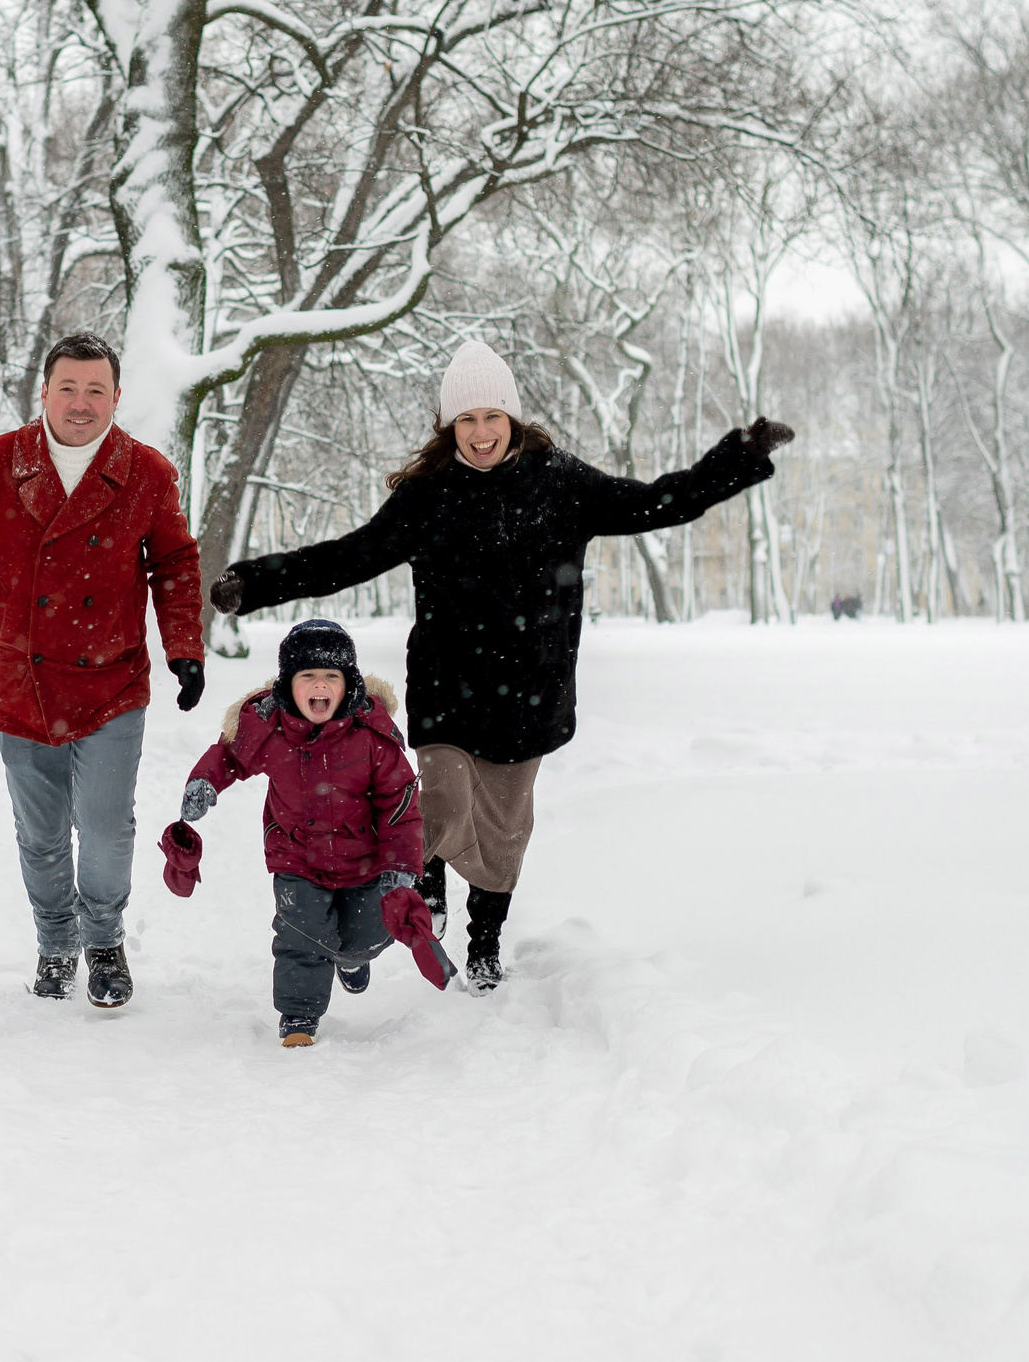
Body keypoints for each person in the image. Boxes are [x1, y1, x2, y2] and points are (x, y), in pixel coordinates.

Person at [208, 338, 791, 992]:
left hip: (528, 695)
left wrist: (740, 456)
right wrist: (254, 583)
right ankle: (423, 891)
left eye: (490, 416)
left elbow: (658, 501)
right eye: (465, 419)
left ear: (511, 417)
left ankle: (484, 942)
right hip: (447, 689)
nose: (480, 432)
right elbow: (351, 555)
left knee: (505, 834)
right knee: (441, 802)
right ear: (449, 426)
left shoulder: (561, 480)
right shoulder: (429, 496)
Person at [0, 331, 206, 1007]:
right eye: (68, 387)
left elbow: (176, 563)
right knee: (40, 835)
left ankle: (102, 939)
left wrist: (184, 643)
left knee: (105, 828)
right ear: (44, 392)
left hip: (111, 683)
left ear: (117, 397)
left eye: (96, 390)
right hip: (24, 683)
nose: (81, 402)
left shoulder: (146, 472)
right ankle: (55, 941)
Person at [163, 619, 452, 1047]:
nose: (320, 685)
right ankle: (299, 1015)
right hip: (297, 856)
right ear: (289, 684)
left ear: (347, 683)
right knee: (302, 934)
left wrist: (398, 873)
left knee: (368, 934)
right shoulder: (268, 727)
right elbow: (228, 756)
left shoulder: (372, 735)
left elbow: (401, 808)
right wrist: (205, 782)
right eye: (308, 676)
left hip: (366, 862)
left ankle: (352, 959)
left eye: (331, 676)